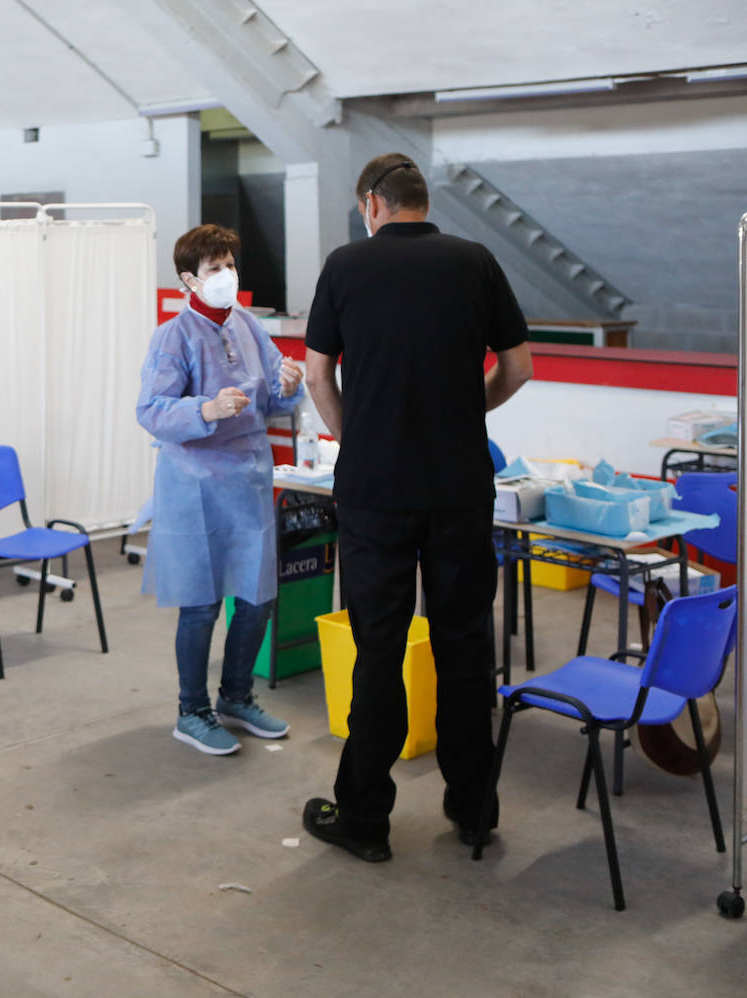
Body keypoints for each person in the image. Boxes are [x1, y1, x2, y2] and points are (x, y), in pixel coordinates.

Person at [301, 153, 534, 862]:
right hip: (460, 488)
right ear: (420, 202)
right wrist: (470, 412)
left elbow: (317, 375)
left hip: (376, 491)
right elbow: (518, 368)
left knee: (379, 650)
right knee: (464, 645)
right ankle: (473, 811)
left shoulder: (346, 266)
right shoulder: (475, 261)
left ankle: (365, 819)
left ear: (373, 203)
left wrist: (355, 433)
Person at [135, 224, 304, 756]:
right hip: (195, 485)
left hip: (247, 478)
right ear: (189, 280)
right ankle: (192, 710)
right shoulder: (172, 337)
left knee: (256, 597)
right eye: (214, 269)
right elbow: (152, 411)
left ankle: (236, 696)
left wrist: (288, 385)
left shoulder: (250, 327)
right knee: (202, 604)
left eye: (229, 265)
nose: (226, 275)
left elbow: (271, 398)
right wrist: (204, 409)